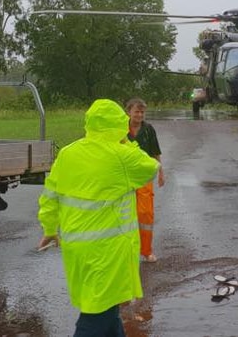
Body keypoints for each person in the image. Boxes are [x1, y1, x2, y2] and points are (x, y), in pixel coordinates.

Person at [38, 99, 160, 337]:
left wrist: (50, 229)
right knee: (96, 315)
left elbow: (50, 196)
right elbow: (151, 166)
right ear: (121, 125)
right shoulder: (122, 155)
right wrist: (126, 142)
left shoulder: (68, 153)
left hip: (76, 248)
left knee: (108, 308)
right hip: (108, 251)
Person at [124, 97, 165, 263]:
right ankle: (126, 251)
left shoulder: (149, 130)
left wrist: (161, 172)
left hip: (144, 177)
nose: (140, 115)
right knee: (124, 215)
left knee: (145, 214)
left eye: (142, 112)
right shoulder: (120, 129)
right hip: (124, 177)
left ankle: (146, 251)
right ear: (128, 112)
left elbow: (156, 152)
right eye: (136, 111)